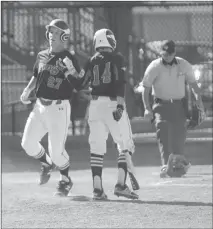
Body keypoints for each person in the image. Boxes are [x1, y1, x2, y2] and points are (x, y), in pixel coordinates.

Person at [73, 28, 139, 200]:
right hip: (112, 104)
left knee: (96, 148)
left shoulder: (91, 61)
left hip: (94, 106)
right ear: (110, 41)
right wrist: (119, 106)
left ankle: (97, 189)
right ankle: (121, 185)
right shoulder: (117, 58)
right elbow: (119, 83)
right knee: (125, 145)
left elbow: (80, 83)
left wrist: (69, 72)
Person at [20, 19, 81, 196]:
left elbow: (78, 83)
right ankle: (46, 163)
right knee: (28, 144)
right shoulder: (42, 55)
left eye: (55, 32)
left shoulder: (69, 58)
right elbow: (36, 75)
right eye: (50, 32)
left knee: (57, 153)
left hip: (59, 108)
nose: (51, 35)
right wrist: (27, 90)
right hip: (39, 107)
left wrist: (70, 70)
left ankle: (65, 180)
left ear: (64, 36)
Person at [140, 40, 205, 178]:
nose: (167, 56)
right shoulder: (154, 66)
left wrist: (200, 104)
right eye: (165, 53)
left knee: (179, 134)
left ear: (174, 53)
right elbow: (145, 89)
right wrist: (147, 108)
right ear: (161, 53)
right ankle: (166, 164)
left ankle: (178, 162)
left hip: (178, 105)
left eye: (170, 54)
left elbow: (193, 85)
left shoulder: (183, 65)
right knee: (162, 129)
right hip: (160, 105)